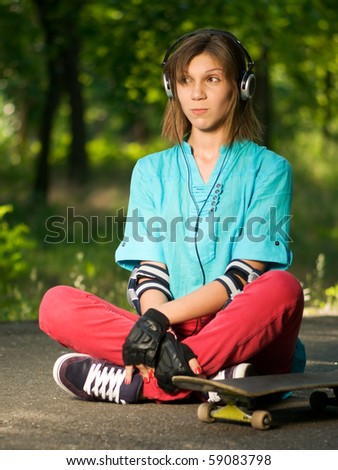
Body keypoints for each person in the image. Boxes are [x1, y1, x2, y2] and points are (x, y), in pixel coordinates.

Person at [39, 28, 306, 405]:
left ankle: (131, 382)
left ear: (241, 87)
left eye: (211, 79)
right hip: (170, 330)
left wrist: (157, 323)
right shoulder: (150, 170)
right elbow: (151, 272)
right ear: (172, 88)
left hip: (240, 329)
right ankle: (217, 377)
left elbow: (243, 276)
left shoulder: (271, 169)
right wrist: (156, 331)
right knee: (55, 305)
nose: (196, 94)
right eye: (185, 81)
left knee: (283, 289)